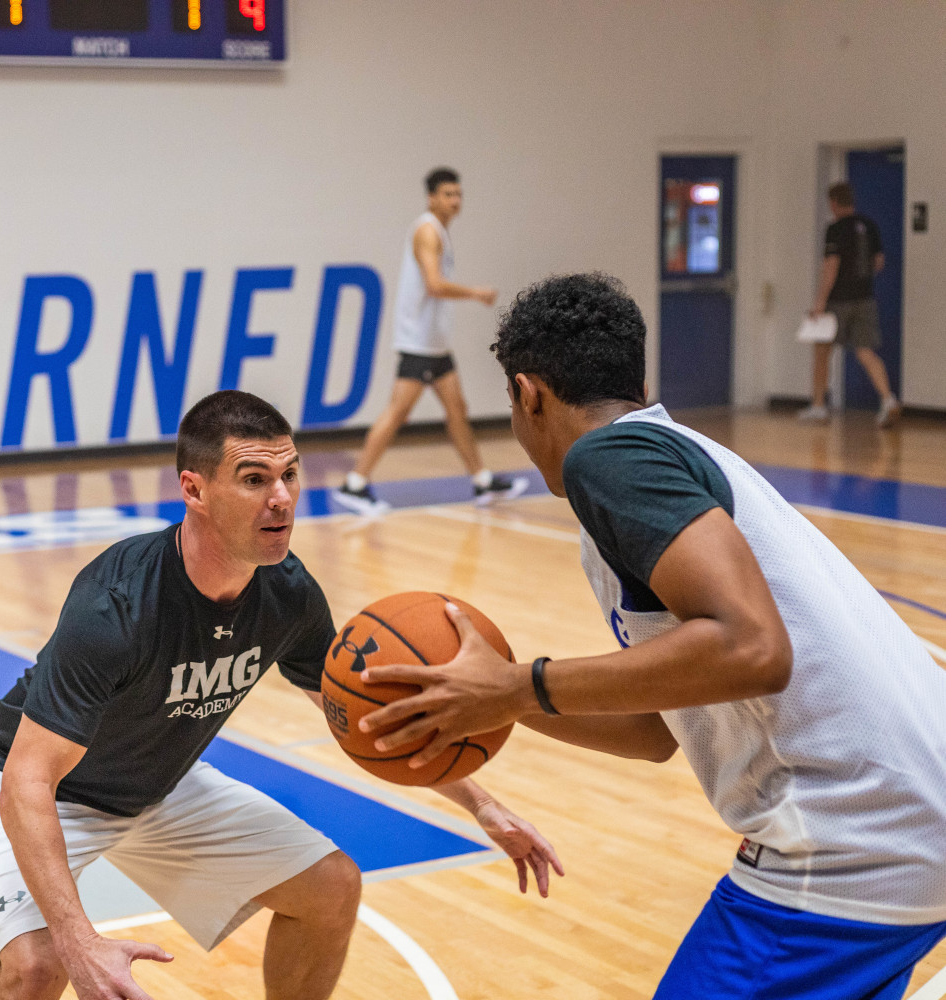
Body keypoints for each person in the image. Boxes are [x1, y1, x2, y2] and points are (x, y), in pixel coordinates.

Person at [357, 274, 946, 999]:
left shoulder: (608, 460)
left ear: (526, 393)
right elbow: (655, 732)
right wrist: (497, 703)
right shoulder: (669, 453)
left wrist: (520, 684)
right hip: (910, 817)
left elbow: (754, 649)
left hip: (853, 836)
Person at [0, 390, 562, 1000]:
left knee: (330, 888)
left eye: (289, 474)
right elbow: (27, 781)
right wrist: (79, 940)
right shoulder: (116, 604)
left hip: (153, 784)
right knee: (36, 968)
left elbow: (370, 716)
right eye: (254, 479)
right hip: (39, 786)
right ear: (194, 490)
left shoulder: (289, 594)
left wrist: (481, 805)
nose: (281, 498)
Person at [333, 167, 527, 514]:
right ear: (431, 197)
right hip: (418, 343)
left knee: (457, 409)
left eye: (458, 195)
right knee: (398, 412)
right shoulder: (427, 231)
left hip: (435, 344)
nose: (455, 201)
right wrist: (476, 293)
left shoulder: (440, 232)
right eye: (448, 194)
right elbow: (434, 284)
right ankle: (354, 483)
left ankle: (481, 480)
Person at [799, 181, 902, 427]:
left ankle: (818, 406)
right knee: (865, 351)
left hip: (838, 301)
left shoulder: (835, 229)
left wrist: (819, 303)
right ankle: (888, 400)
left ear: (833, 203)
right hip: (865, 298)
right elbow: (878, 262)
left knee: (822, 351)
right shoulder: (869, 225)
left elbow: (831, 267)